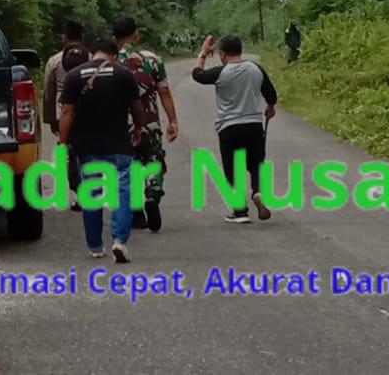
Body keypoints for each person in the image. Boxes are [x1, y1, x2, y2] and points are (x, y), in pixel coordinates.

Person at [58, 40, 143, 263]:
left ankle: (95, 246)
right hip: (119, 143)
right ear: (114, 55)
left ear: (92, 54)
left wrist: (62, 141)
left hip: (87, 145)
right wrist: (139, 128)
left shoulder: (74, 76)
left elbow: (67, 112)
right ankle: (119, 241)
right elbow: (136, 107)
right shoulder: (124, 74)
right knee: (123, 189)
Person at [192, 34, 278, 224]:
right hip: (254, 125)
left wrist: (203, 53)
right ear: (240, 50)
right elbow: (271, 93)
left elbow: (197, 74)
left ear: (222, 54)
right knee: (256, 164)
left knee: (232, 169)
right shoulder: (256, 69)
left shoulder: (220, 72)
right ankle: (258, 192)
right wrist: (270, 107)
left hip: (229, 128)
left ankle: (240, 211)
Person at [112, 16, 178, 232]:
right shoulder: (152, 59)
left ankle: (136, 212)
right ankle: (152, 192)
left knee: (125, 167)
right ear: (136, 34)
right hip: (149, 122)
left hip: (120, 125)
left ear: (114, 37)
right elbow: (164, 91)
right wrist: (172, 121)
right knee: (153, 160)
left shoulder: (109, 61)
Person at [43, 20, 87, 207]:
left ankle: (79, 192)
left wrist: (51, 120)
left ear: (65, 37)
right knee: (88, 152)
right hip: (88, 113)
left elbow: (48, 93)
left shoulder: (54, 61)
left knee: (70, 153)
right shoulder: (92, 58)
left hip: (64, 114)